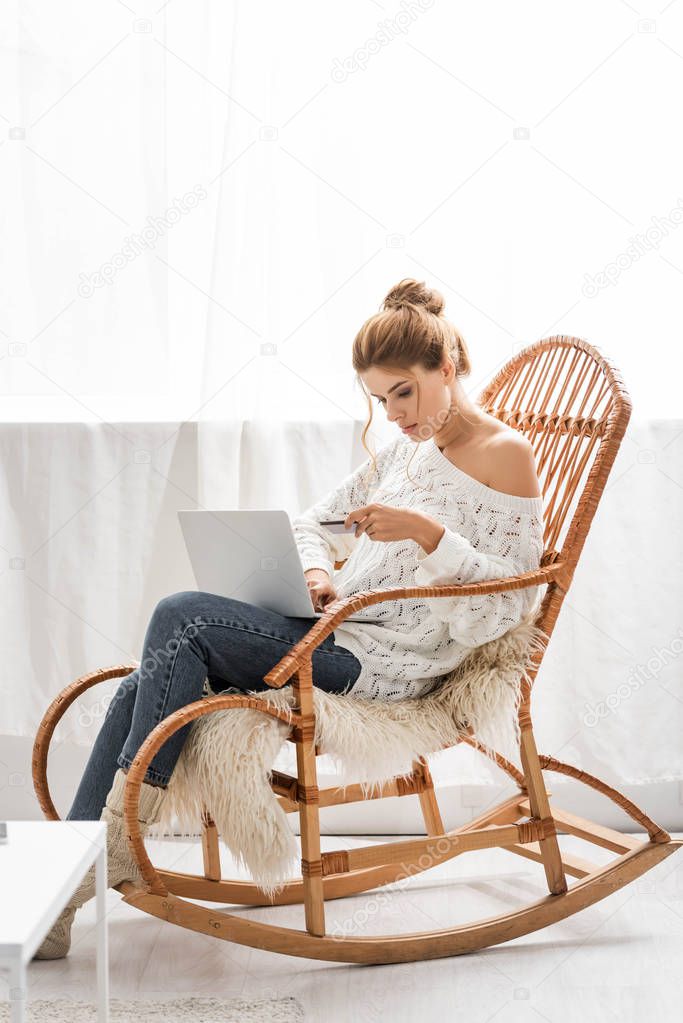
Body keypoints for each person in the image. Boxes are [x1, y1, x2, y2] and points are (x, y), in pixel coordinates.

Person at [35, 277, 544, 959]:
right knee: (136, 688)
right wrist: (314, 572)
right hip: (337, 632)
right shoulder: (403, 451)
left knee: (180, 618)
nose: (394, 414)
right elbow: (315, 522)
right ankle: (64, 890)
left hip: (387, 669)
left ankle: (118, 842)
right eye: (380, 398)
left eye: (403, 391)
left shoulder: (506, 454)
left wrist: (428, 535)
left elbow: (511, 602)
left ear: (445, 368)